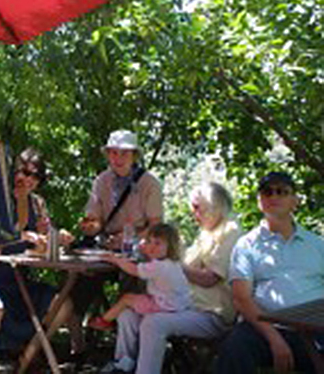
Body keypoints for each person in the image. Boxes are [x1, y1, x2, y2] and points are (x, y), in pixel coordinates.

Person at [109, 182, 241, 374]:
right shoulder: (206, 233)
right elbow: (174, 267)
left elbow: (209, 278)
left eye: (197, 207)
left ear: (213, 205)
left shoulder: (229, 232)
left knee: (153, 324)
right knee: (127, 315)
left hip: (211, 313)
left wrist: (169, 265)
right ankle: (123, 366)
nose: (193, 213)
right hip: (184, 306)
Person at [0, 148, 74, 374]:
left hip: (20, 280)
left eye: (36, 176)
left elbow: (42, 244)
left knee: (63, 306)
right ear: (14, 171)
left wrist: (56, 238)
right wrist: (23, 236)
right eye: (25, 172)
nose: (29, 179)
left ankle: (30, 352)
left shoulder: (37, 204)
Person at [215, 172, 324, 374]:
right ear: (259, 201)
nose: (274, 196)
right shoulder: (247, 245)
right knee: (235, 346)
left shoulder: (317, 244)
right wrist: (275, 339)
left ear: (295, 201)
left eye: (282, 192)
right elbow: (241, 299)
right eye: (267, 192)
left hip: (317, 330)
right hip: (266, 330)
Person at [69, 129, 164, 356]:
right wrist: (91, 227)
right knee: (79, 278)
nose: (117, 159)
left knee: (133, 279)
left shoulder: (149, 183)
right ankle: (77, 341)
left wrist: (132, 238)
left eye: (123, 154)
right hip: (107, 249)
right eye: (113, 153)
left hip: (137, 250)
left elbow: (156, 225)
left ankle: (126, 349)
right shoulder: (102, 181)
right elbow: (96, 221)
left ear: (134, 156)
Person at [88, 224, 191, 338]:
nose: (152, 247)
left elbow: (134, 270)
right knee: (135, 298)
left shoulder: (159, 266)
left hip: (164, 305)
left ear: (170, 247)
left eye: (157, 243)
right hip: (179, 304)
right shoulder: (172, 263)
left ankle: (105, 321)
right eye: (149, 242)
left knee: (127, 299)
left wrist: (115, 260)